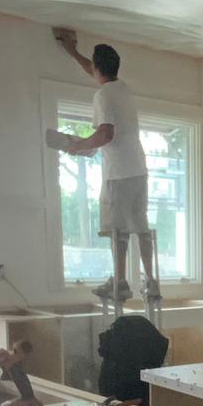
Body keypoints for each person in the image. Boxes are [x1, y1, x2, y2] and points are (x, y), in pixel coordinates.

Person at [49, 28, 160, 312]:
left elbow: (106, 134)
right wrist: (73, 52)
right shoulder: (121, 89)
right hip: (138, 169)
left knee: (116, 231)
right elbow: (96, 71)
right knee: (140, 226)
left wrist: (78, 145)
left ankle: (120, 282)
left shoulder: (102, 97)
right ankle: (151, 280)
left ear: (98, 67)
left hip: (118, 173)